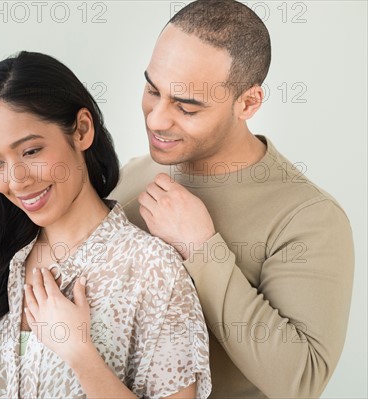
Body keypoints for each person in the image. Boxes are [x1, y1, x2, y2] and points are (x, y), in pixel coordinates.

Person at [0, 51, 211, 399]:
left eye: (30, 152)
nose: (17, 180)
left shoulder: (152, 270)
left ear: (82, 130)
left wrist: (81, 355)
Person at [110, 0, 355, 398]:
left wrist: (202, 249)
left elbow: (301, 382)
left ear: (248, 103)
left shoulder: (309, 218)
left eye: (186, 107)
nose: (156, 119)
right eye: (152, 90)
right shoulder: (131, 174)